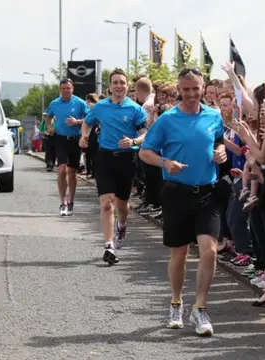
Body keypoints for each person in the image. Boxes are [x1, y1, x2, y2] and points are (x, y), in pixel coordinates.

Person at [139, 67, 227, 335]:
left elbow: (220, 140)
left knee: (209, 250)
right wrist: (165, 162)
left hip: (207, 193)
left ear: (203, 88)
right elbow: (145, 152)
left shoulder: (214, 115)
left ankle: (200, 308)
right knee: (179, 254)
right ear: (180, 90)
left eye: (195, 88)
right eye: (186, 89)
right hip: (177, 192)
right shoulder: (168, 119)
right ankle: (176, 301)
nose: (191, 94)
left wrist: (221, 152)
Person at [80, 68, 148, 265]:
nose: (119, 86)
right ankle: (109, 245)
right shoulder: (100, 107)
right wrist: (84, 136)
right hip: (105, 158)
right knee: (106, 203)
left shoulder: (135, 109)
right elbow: (87, 122)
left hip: (127, 159)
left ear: (128, 87)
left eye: (122, 83)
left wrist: (134, 141)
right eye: (115, 82)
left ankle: (122, 224)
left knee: (122, 205)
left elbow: (145, 134)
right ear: (110, 87)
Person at [45, 79, 89, 216]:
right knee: (62, 169)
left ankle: (71, 200)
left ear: (72, 89)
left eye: (68, 88)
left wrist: (77, 121)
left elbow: (89, 119)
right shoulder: (55, 103)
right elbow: (48, 116)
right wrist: (50, 126)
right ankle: (62, 201)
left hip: (75, 140)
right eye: (63, 88)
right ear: (60, 89)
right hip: (60, 139)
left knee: (72, 172)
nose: (66, 91)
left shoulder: (80, 103)